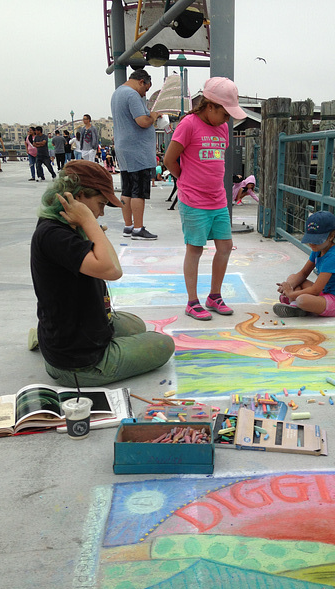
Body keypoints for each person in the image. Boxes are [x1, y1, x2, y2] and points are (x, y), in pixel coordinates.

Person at [29, 160, 175, 386]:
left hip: (75, 327)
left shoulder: (62, 226)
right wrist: (90, 223)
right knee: (163, 344)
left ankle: (43, 337)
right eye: (100, 203)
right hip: (78, 362)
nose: (101, 212)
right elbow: (112, 270)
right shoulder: (54, 235)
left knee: (136, 325)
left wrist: (90, 229)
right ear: (77, 198)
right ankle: (61, 355)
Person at [164, 77, 246, 320]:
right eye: (225, 113)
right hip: (193, 200)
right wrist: (185, 180)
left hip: (218, 199)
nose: (228, 119)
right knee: (195, 249)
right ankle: (192, 301)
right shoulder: (188, 125)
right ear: (209, 105)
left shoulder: (222, 128)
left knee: (225, 247)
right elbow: (169, 160)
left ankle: (214, 295)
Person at [273, 210, 335, 318]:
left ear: (331, 236)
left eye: (316, 240)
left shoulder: (334, 256)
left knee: (302, 300)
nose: (311, 243)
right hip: (325, 291)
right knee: (293, 278)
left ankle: (296, 302)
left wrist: (291, 293)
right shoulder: (318, 249)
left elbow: (315, 289)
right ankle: (295, 306)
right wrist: (288, 286)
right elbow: (303, 274)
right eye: (310, 239)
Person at [111, 68, 160, 240]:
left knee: (127, 189)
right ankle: (138, 229)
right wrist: (153, 115)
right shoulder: (132, 95)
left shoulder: (117, 93)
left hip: (124, 148)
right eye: (146, 89)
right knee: (139, 191)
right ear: (141, 82)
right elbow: (142, 121)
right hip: (137, 150)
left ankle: (128, 226)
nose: (144, 94)